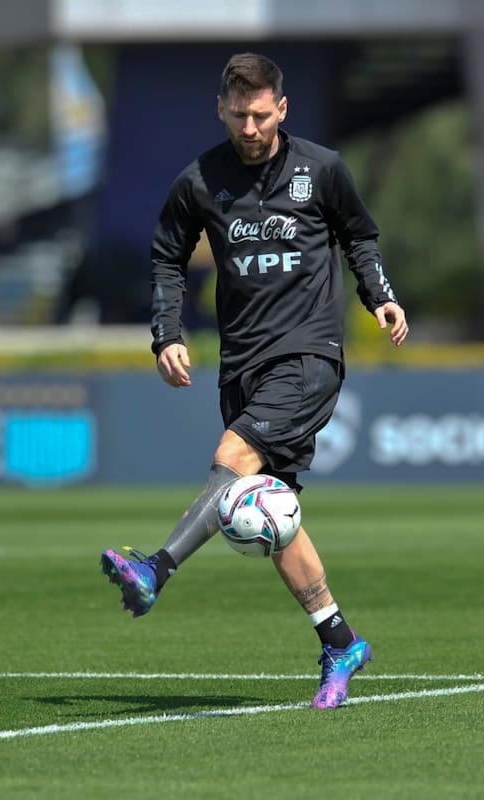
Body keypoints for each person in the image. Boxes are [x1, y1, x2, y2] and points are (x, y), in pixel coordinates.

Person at [100, 52, 408, 710]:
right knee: (270, 515)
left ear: (282, 110)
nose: (251, 127)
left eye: (262, 116)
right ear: (222, 110)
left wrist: (378, 294)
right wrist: (167, 334)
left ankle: (155, 569)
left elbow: (359, 234)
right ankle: (340, 641)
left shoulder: (321, 170)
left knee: (232, 461)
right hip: (241, 364)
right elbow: (166, 258)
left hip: (308, 356)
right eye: (239, 115)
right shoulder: (199, 181)